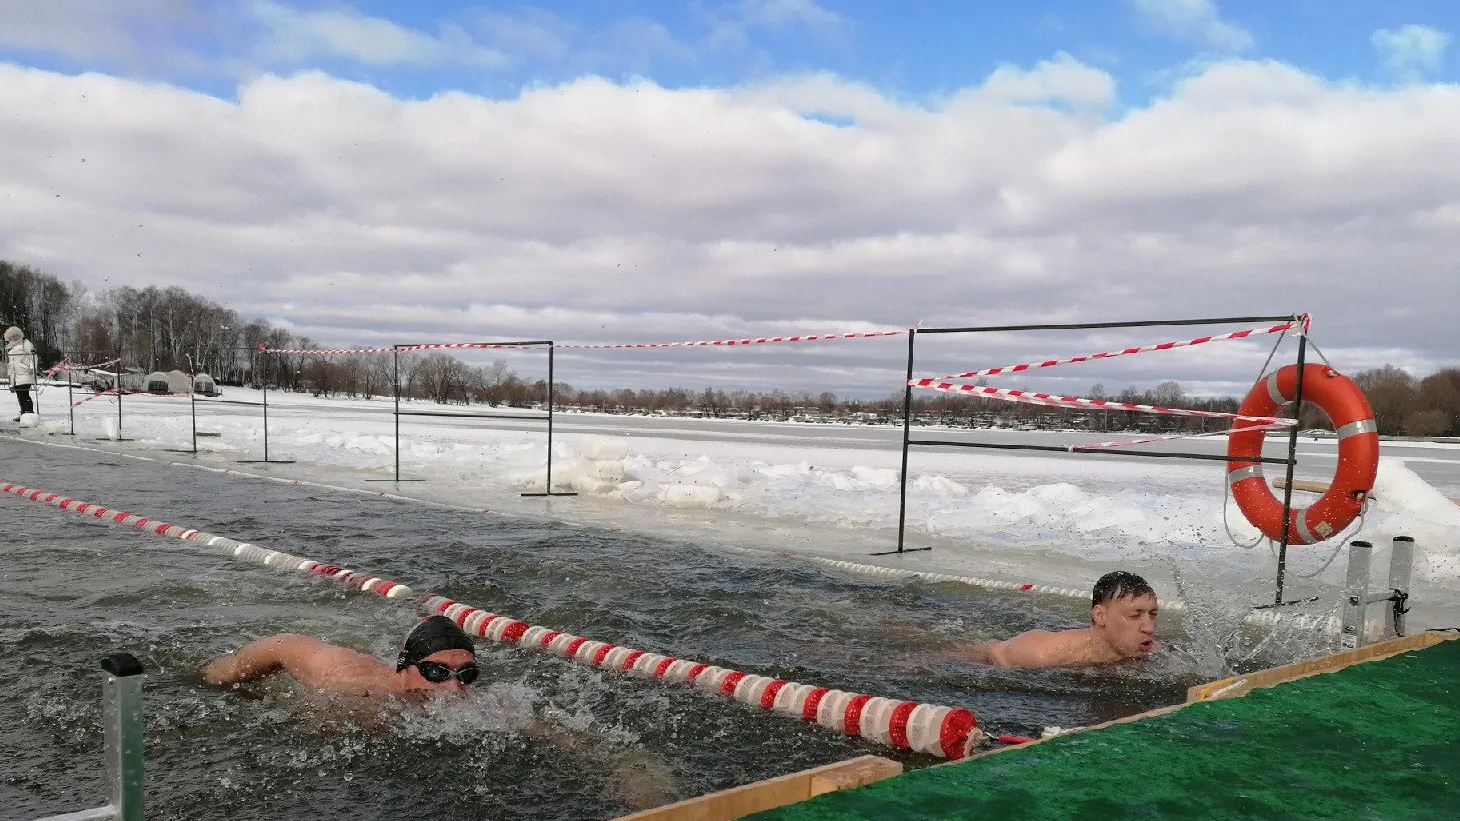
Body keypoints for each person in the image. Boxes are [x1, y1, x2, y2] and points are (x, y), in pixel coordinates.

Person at [203, 615, 480, 697]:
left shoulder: (479, 708)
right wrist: (223, 673)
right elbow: (284, 644)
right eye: (436, 672)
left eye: (466, 675)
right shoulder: (349, 678)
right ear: (405, 665)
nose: (453, 687)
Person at [952, 571, 1160, 668]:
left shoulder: (1152, 651)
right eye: (1134, 615)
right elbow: (990, 651)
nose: (1149, 628)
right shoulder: (1043, 653)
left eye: (1152, 614)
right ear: (1100, 616)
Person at [5, 326, 37, 421]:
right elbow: (12, 364)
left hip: (25, 373)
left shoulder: (26, 344)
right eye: (12, 336)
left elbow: (33, 356)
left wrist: (32, 367)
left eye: (16, 335)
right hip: (16, 375)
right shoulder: (10, 348)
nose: (14, 337)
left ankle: (29, 414)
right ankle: (24, 414)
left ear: (19, 335)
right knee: (19, 394)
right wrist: (10, 376)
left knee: (24, 394)